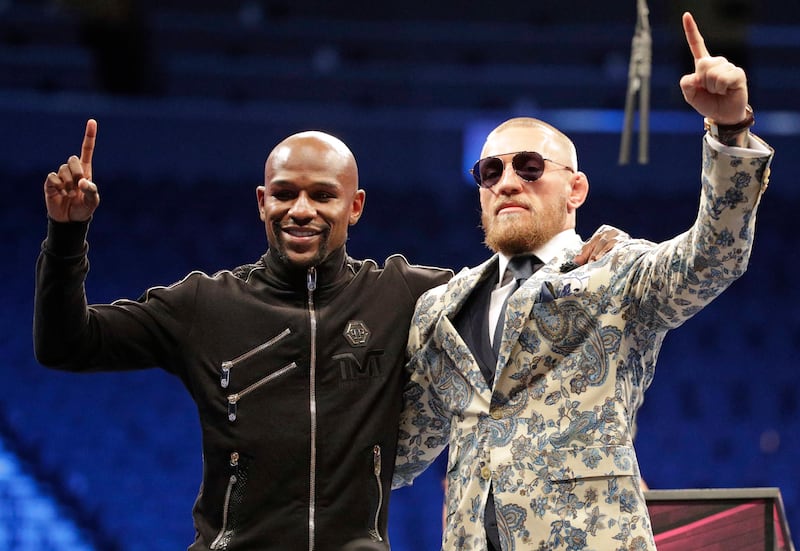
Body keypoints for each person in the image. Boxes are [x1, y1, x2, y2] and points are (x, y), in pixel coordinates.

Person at [33, 121, 619, 549]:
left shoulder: (409, 295)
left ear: (355, 205)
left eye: (322, 195)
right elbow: (67, 344)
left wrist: (577, 252)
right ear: (262, 203)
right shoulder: (203, 304)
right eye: (285, 193)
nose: (301, 210)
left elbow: (513, 295)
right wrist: (66, 239)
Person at [393, 12, 773, 551]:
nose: (506, 183)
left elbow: (714, 256)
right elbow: (397, 449)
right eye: (490, 171)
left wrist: (730, 130)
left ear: (576, 190)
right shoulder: (442, 307)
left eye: (527, 167)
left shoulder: (617, 271)